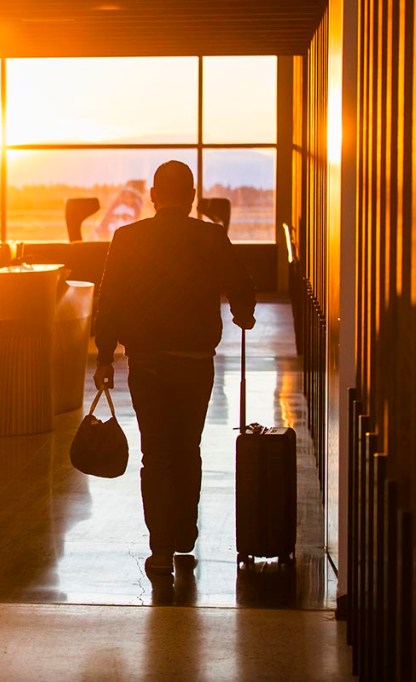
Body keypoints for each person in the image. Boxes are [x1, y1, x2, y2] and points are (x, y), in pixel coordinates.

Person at [92, 160, 256, 575]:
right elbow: (241, 281)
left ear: (152, 195)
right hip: (195, 362)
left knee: (157, 453)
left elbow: (109, 299)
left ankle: (161, 546)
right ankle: (185, 535)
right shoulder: (210, 236)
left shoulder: (127, 238)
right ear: (192, 196)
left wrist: (104, 355)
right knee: (188, 449)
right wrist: (243, 313)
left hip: (146, 364)